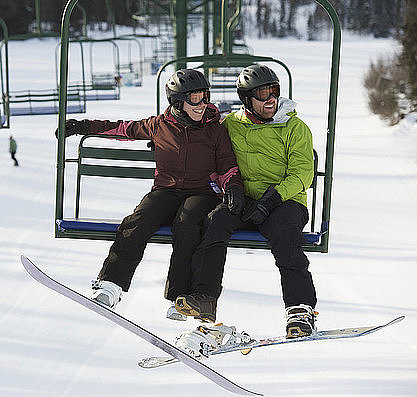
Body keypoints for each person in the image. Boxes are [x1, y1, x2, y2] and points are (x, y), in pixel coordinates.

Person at [58, 69, 245, 321]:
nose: (202, 104)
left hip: (202, 192)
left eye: (204, 96)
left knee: (187, 226)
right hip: (166, 190)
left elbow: (226, 163)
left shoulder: (215, 129)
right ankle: (111, 284)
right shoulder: (159, 126)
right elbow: (122, 129)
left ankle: (179, 297)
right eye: (194, 99)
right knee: (137, 221)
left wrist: (232, 186)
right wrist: (85, 126)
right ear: (178, 101)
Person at [174, 64, 317, 338]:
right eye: (262, 95)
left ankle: (300, 308)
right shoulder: (231, 125)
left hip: (285, 200)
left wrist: (272, 199)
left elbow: (302, 174)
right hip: (246, 200)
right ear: (246, 100)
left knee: (285, 236)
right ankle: (205, 295)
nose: (271, 99)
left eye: (274, 92)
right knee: (214, 222)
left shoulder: (294, 127)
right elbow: (213, 154)